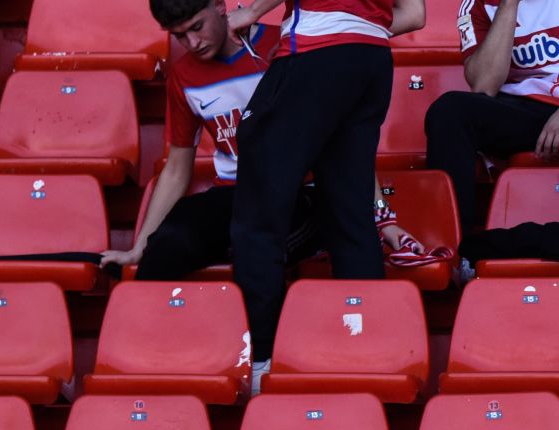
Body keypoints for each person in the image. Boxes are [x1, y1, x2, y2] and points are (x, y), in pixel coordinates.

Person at [104, 0, 424, 280]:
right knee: (165, 249)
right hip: (233, 195)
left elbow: (347, 148)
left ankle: (269, 346)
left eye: (197, 27)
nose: (192, 42)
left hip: (299, 196)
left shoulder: (288, 49)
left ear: (220, 7)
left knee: (259, 248)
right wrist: (138, 248)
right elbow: (176, 169)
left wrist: (383, 218)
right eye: (179, 36)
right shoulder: (183, 76)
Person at [227, 0, 399, 390]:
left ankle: (262, 362)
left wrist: (251, 12)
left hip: (316, 45)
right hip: (372, 54)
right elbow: (415, 14)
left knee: (258, 217)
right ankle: (367, 357)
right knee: (350, 215)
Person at [427, 0, 559, 234]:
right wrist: (509, 5)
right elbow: (484, 85)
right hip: (525, 111)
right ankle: (457, 250)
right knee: (450, 111)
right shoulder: (477, 4)